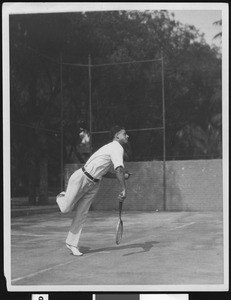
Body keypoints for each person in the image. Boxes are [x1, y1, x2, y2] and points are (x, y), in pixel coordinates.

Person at [56, 125, 131, 256]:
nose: (127, 136)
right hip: (81, 178)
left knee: (82, 214)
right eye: (125, 134)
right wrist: (123, 188)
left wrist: (122, 177)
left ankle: (72, 243)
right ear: (117, 136)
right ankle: (62, 196)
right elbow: (118, 169)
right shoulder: (116, 147)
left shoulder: (111, 149)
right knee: (65, 209)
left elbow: (105, 173)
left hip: (94, 184)